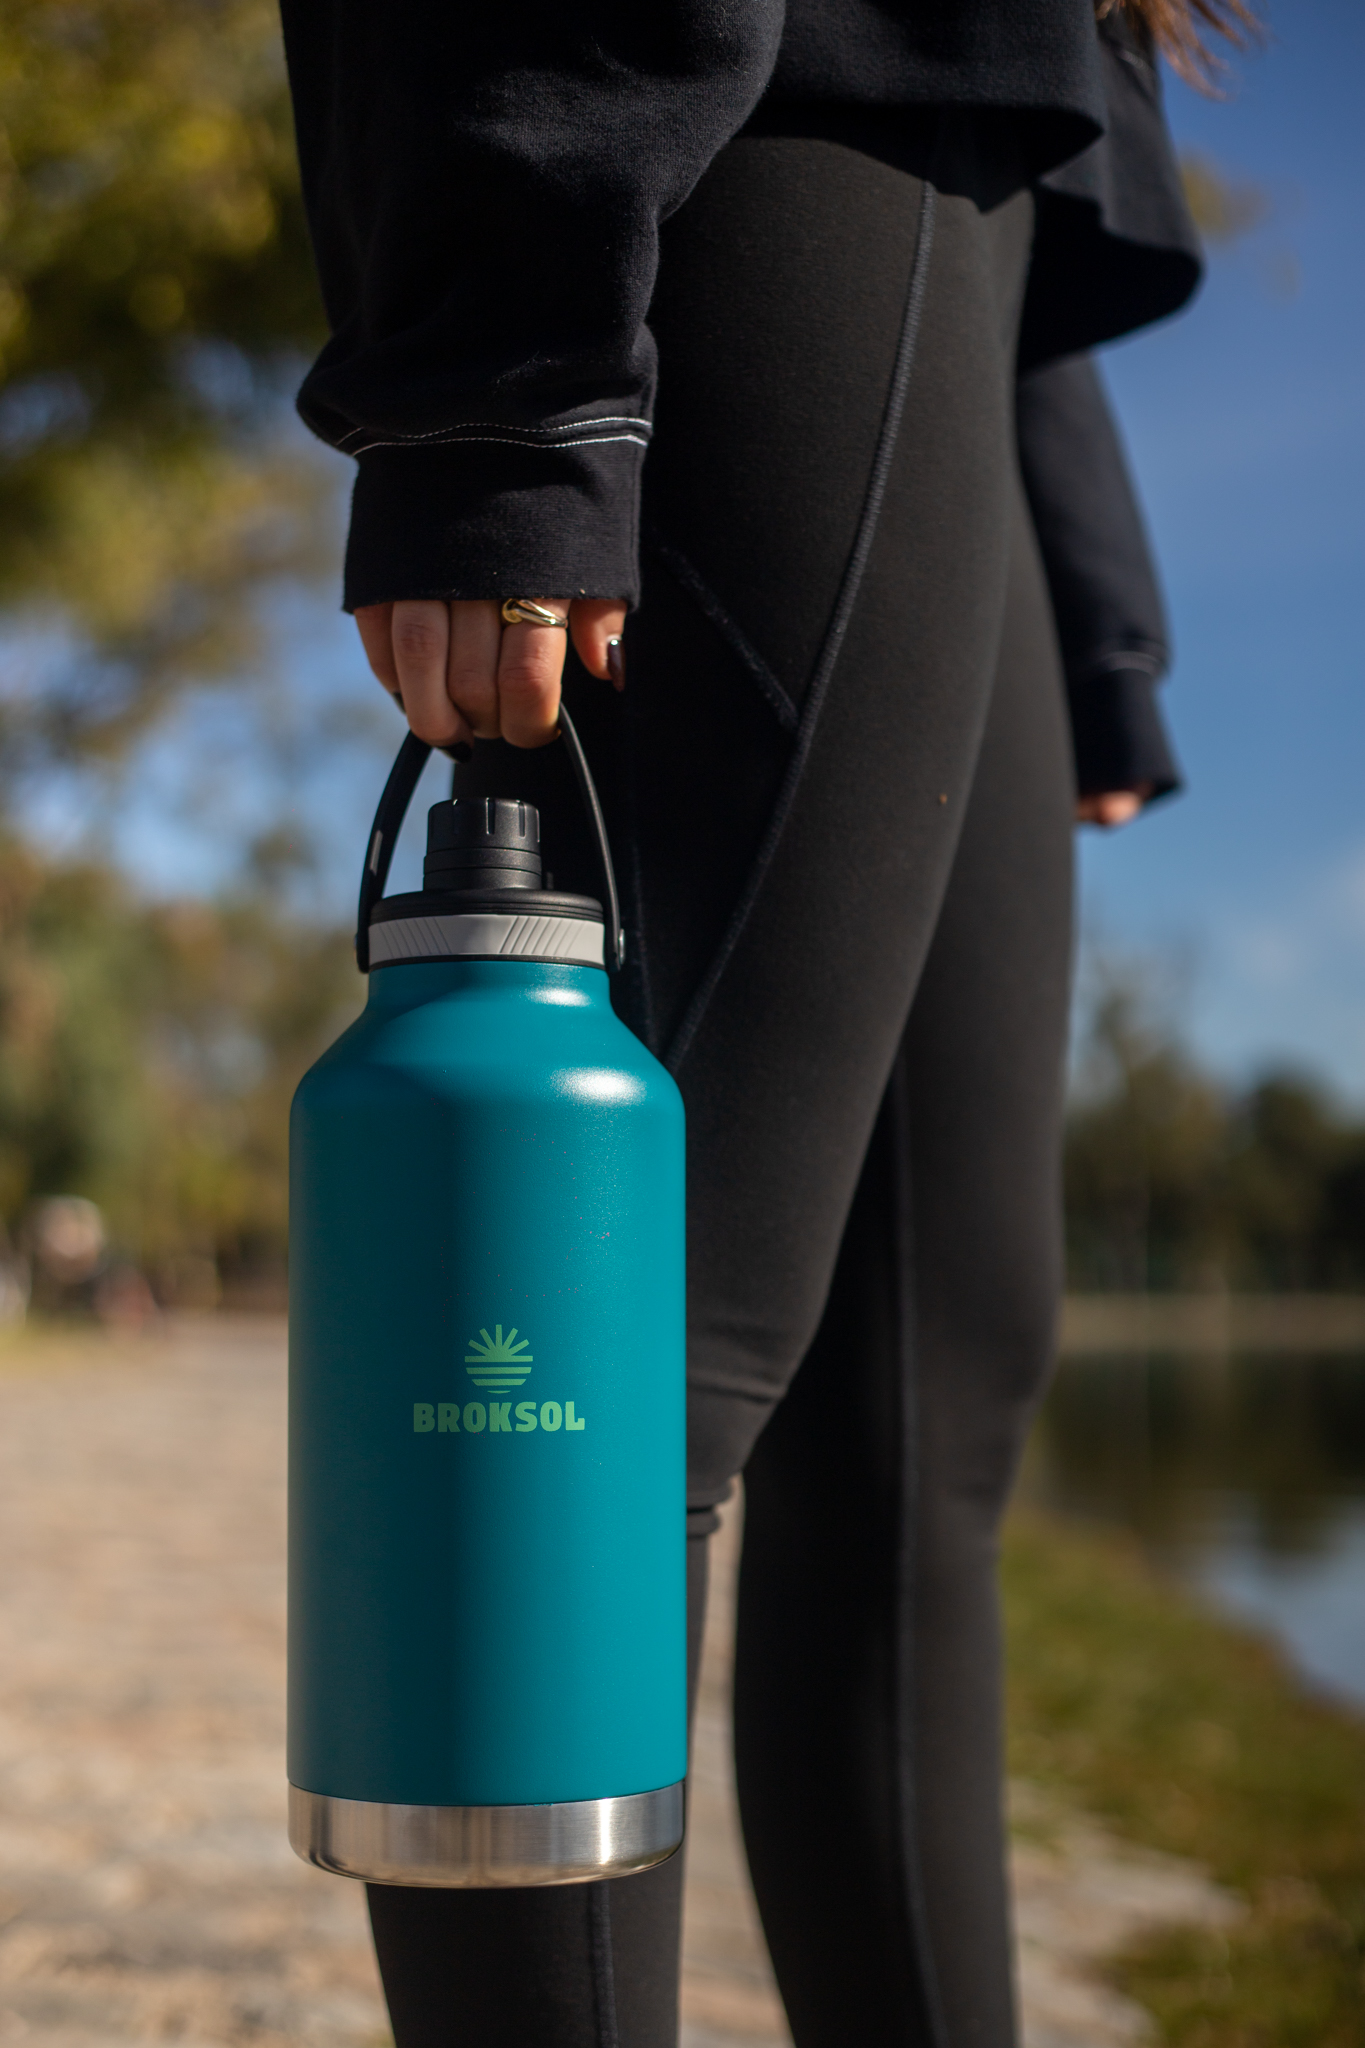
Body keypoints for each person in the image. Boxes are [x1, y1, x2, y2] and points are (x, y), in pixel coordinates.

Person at [278, 0, 1251, 2040]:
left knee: (925, 1406)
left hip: (962, 233)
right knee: (600, 1357)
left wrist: (1083, 592)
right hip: (725, 128)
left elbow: (1054, 85)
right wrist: (498, 391)